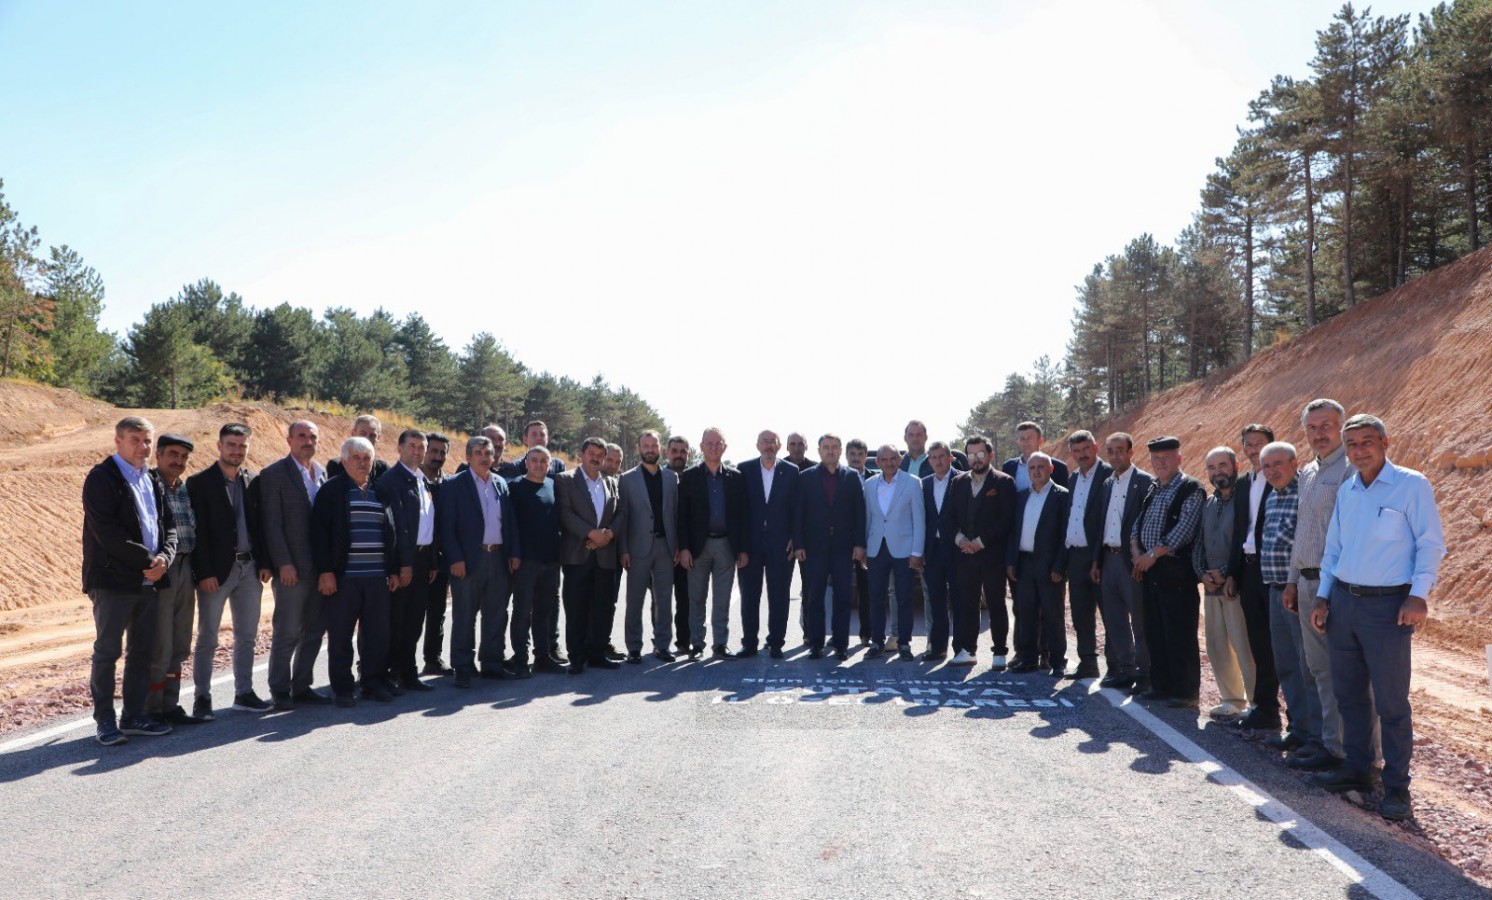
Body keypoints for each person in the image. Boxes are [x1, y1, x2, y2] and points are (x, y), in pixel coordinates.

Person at [1309, 414, 1444, 822]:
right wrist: (1322, 596)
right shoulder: (1348, 490)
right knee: (1349, 694)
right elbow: (1333, 549)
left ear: (1385, 443)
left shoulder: (1411, 485)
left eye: (1367, 441)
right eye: (1352, 444)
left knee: (1391, 702)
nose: (1359, 450)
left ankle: (1397, 785)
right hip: (1343, 604)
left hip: (1388, 608)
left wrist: (1418, 594)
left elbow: (1430, 544)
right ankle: (1359, 768)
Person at [82, 416, 177, 745]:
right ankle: (105, 722)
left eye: (147, 440)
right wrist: (150, 561)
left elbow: (169, 526)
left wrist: (165, 558)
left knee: (142, 651)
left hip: (150, 580)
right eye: (135, 439)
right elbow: (107, 532)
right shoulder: (101, 478)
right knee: (108, 652)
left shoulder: (151, 478)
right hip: (113, 581)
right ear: (118, 441)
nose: (143, 446)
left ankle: (134, 716)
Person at [1287, 399, 1363, 772]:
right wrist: (1291, 580)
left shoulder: (1351, 470)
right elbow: (1302, 530)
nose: (1319, 433)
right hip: (1304, 581)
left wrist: (1328, 591)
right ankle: (1327, 743)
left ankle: (1346, 752)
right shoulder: (1308, 472)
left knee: (1339, 671)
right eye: (1312, 427)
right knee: (1318, 669)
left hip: (1331, 585)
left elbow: (1351, 534)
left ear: (1341, 427)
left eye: (1326, 425)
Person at [188, 422, 270, 718]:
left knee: (247, 635)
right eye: (231, 445)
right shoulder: (199, 483)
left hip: (250, 568)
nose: (237, 450)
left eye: (242, 446)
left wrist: (265, 562)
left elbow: (261, 526)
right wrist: (203, 573)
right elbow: (197, 533)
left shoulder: (254, 480)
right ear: (219, 446)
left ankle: (244, 693)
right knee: (208, 637)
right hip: (216, 572)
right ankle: (202, 697)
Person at [311, 437, 401, 706]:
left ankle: (372, 683)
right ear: (344, 461)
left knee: (377, 635)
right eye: (356, 458)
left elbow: (391, 533)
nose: (362, 463)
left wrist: (393, 570)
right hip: (344, 578)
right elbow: (318, 535)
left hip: (377, 578)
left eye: (367, 458)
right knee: (341, 636)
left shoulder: (381, 491)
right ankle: (342, 688)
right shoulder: (331, 491)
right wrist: (325, 571)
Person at [1258, 440, 1331, 769]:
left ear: (1294, 463)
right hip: (1275, 590)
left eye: (1278, 464)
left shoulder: (1305, 493)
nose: (1272, 471)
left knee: (1309, 666)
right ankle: (1299, 729)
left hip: (1299, 589)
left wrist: (1295, 585)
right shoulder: (1272, 496)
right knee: (1286, 663)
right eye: (1266, 466)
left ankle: (1319, 737)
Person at [258, 420, 332, 710]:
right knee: (287, 632)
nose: (307, 441)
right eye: (301, 436)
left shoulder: (322, 472)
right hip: (292, 569)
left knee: (314, 630)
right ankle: (279, 689)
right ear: (289, 440)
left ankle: (302, 686)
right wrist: (283, 563)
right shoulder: (274, 474)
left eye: (312, 436)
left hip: (319, 568)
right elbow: (271, 524)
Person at [437, 435, 522, 688]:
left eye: (488, 453)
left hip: (498, 557)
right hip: (467, 560)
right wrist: (455, 558)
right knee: (464, 615)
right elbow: (446, 527)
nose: (485, 458)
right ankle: (462, 668)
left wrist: (514, 552)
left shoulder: (500, 483)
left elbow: (510, 522)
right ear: (468, 456)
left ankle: (492, 664)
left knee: (496, 614)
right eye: (479, 453)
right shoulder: (454, 484)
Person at [1129, 435, 1204, 708]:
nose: (1160, 463)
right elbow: (1137, 524)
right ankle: (1161, 686)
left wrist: (1151, 555)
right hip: (1151, 572)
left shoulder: (1191, 488)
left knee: (1179, 633)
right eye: (1156, 459)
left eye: (1166, 458)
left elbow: (1184, 530)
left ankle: (1186, 692)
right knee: (1155, 630)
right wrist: (1136, 552)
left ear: (1179, 459)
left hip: (1176, 574)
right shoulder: (1154, 487)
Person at [145, 433, 207, 725]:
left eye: (183, 457)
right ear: (158, 455)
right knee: (160, 643)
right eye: (173, 454)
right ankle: (151, 708)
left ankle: (170, 705)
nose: (178, 461)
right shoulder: (148, 485)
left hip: (186, 567)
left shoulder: (183, 488)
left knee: (180, 642)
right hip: (162, 571)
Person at [1227, 424, 1283, 732]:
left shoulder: (1282, 480)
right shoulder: (1242, 483)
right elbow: (1239, 531)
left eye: (1258, 443)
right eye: (1248, 444)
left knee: (1280, 644)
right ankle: (1265, 708)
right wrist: (1233, 573)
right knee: (1258, 642)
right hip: (1248, 571)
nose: (1252, 449)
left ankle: (1295, 717)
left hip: (1273, 569)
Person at [1191, 447, 1254, 718]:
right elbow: (1199, 543)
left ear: (1235, 465)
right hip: (1211, 586)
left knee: (1243, 645)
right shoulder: (1208, 503)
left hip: (1235, 584)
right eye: (1212, 467)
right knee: (1217, 646)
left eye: (1222, 465)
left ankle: (1255, 702)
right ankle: (1232, 699)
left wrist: (1227, 572)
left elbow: (1245, 541)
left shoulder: (1246, 500)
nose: (1218, 472)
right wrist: (1202, 573)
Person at [376, 429, 440, 689]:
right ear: (399, 448)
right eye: (412, 446)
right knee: (397, 621)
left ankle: (408, 672)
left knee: (414, 620)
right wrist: (402, 565)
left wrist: (432, 561)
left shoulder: (422, 480)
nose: (417, 451)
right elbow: (396, 527)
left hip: (423, 560)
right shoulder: (391, 481)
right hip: (404, 560)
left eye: (421, 447)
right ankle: (390, 673)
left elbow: (428, 523)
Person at [1089, 433, 1153, 691]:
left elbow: (1148, 524)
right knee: (1114, 619)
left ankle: (1145, 674)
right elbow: (1101, 524)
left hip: (1131, 562)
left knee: (1139, 620)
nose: (1115, 456)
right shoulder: (1107, 483)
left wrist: (1140, 558)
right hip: (1108, 559)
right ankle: (1126, 670)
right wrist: (1096, 560)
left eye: (1120, 450)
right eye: (1111, 451)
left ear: (1130, 452)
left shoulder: (1145, 482)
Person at [793, 434, 866, 660]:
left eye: (834, 447)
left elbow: (860, 513)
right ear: (819, 450)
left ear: (840, 450)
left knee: (843, 597)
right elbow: (798, 513)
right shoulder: (806, 477)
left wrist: (859, 544)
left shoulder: (852, 477)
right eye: (826, 447)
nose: (830, 451)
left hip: (844, 548)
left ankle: (841, 644)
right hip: (815, 548)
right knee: (815, 597)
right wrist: (799, 544)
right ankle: (816, 644)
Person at [947, 435, 1018, 668]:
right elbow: (949, 516)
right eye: (971, 454)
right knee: (968, 604)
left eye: (980, 454)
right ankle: (968, 650)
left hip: (992, 556)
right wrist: (960, 540)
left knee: (996, 604)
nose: (976, 459)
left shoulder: (1004, 482)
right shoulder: (958, 482)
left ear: (990, 455)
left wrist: (980, 542)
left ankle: (1000, 652)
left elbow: (1006, 520)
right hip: (964, 555)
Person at [677, 427, 747, 660]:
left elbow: (742, 516)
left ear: (725, 447)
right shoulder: (689, 477)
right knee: (696, 598)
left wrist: (742, 548)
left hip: (726, 545)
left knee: (722, 599)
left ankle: (720, 645)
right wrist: (684, 548)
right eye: (710, 443)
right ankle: (697, 644)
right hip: (698, 547)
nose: (714, 447)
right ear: (701, 447)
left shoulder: (736, 478)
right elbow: (682, 515)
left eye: (718, 443)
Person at [556, 437, 622, 673]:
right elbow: (565, 513)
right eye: (591, 453)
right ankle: (576, 656)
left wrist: (609, 534)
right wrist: (591, 534)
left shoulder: (611, 482)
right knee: (576, 607)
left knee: (603, 606)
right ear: (581, 454)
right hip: (577, 554)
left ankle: (597, 654)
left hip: (605, 554)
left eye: (600, 455)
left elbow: (621, 513)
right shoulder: (565, 479)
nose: (596, 458)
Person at [616, 431, 679, 662]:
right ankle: (633, 647)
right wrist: (623, 549)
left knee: (664, 600)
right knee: (635, 600)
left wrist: (677, 545)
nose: (650, 449)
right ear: (638, 448)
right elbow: (623, 516)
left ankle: (662, 645)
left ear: (660, 448)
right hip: (637, 549)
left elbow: (675, 513)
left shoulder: (671, 478)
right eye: (646, 445)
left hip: (665, 547)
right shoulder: (627, 479)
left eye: (654, 445)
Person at [1006, 452, 1071, 676]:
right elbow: (1014, 531)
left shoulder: (1062, 496)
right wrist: (1011, 561)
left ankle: (1058, 661)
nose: (1036, 471)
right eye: (1032, 468)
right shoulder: (1021, 496)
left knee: (1053, 615)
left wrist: (1060, 567)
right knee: (1026, 613)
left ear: (1050, 469)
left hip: (1050, 566)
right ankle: (1028, 658)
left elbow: (1066, 535)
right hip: (1024, 563)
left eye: (1041, 467)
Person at [736, 430, 799, 658]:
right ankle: (749, 643)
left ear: (779, 446)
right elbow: (738, 509)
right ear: (757, 445)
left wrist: (795, 537)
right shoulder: (744, 470)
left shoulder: (791, 471)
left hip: (781, 544)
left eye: (772, 442)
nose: (769, 445)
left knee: (779, 595)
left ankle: (776, 643)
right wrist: (740, 546)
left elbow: (797, 508)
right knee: (749, 595)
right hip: (751, 545)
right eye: (764, 441)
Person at [862, 445, 925, 660]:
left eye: (892, 459)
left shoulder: (913, 483)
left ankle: (904, 643)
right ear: (877, 462)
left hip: (904, 550)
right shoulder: (869, 484)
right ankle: (877, 642)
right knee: (875, 597)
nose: (888, 463)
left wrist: (917, 551)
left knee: (904, 597)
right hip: (876, 549)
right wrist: (864, 548)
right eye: (884, 459)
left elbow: (919, 519)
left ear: (899, 460)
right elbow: (868, 518)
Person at [1061, 430, 1111, 679]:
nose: (1082, 455)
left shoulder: (1108, 475)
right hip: (1076, 556)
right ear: (1071, 453)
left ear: (1095, 448)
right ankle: (1088, 663)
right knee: (1081, 614)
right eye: (1077, 451)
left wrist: (1098, 558)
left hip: (1100, 557)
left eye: (1086, 449)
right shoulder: (1073, 478)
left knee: (1110, 613)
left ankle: (1117, 667)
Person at [920, 441, 960, 662]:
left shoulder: (963, 480)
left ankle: (961, 648)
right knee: (936, 601)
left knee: (960, 600)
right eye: (933, 457)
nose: (938, 461)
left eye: (941, 456)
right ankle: (938, 648)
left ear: (950, 457)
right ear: (929, 461)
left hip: (957, 549)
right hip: (932, 550)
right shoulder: (924, 484)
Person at [420, 432, 454, 675]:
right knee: (408, 615)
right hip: (415, 559)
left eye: (443, 452)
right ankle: (400, 665)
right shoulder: (412, 480)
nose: (438, 456)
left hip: (440, 560)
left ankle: (433, 659)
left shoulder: (449, 485)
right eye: (433, 451)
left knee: (437, 612)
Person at [666, 435, 693, 655]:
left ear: (688, 454)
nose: (678, 455)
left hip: (687, 549)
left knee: (686, 598)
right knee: (660, 599)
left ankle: (684, 641)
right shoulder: (659, 477)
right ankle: (661, 642)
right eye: (674, 451)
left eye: (683, 451)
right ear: (667, 453)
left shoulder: (694, 477)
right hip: (662, 548)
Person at [1002, 421, 1070, 490]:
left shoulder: (1058, 467)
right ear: (1018, 442)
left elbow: (1063, 495)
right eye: (1022, 439)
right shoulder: (1008, 467)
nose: (1026, 442)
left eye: (1030, 438)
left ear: (1040, 441)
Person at [327, 414, 390, 482]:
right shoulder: (336, 466)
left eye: (372, 436)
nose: (367, 439)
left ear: (378, 438)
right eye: (363, 434)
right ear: (353, 433)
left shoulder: (383, 469)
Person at [901, 420, 969, 477]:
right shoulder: (898, 464)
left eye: (919, 434)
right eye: (911, 435)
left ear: (926, 437)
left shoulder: (937, 461)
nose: (915, 438)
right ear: (905, 438)